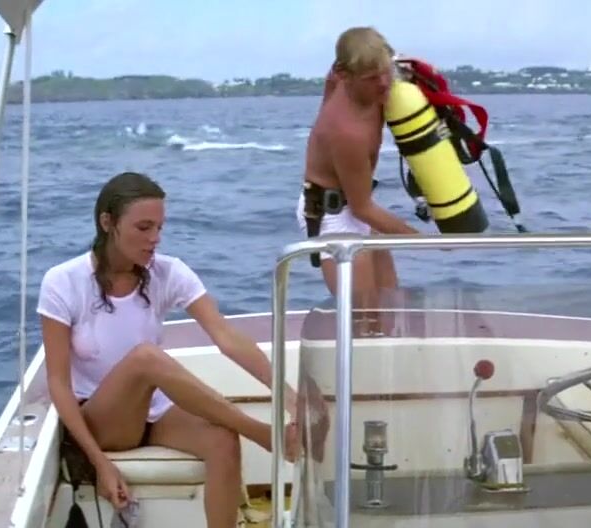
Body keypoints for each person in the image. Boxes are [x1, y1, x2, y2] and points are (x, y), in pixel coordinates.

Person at [38, 171, 300, 527]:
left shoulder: (168, 272)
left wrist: (289, 396)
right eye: (143, 227)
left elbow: (225, 335)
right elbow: (58, 383)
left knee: (222, 440)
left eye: (159, 227)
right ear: (107, 222)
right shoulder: (63, 282)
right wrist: (100, 463)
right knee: (146, 358)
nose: (155, 238)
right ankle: (264, 435)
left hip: (154, 413)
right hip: (101, 420)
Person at [296, 26, 419, 330]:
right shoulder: (346, 132)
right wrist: (424, 241)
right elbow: (363, 208)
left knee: (391, 308)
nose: (384, 83)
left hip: (354, 205)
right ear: (345, 76)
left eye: (386, 72)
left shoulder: (350, 75)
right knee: (365, 322)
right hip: (332, 216)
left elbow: (368, 55)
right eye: (372, 78)